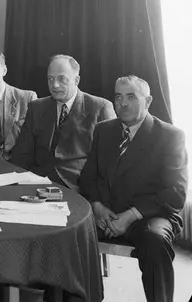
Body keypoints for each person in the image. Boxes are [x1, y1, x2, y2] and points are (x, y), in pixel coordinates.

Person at [80, 75, 187, 302]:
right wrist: (98, 207)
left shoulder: (170, 136)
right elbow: (88, 177)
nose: (123, 103)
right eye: (118, 97)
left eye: (131, 97)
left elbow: (176, 193)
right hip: (106, 213)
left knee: (155, 241)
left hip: (149, 214)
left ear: (148, 101)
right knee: (68, 232)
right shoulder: (103, 130)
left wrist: (130, 215)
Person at [11, 54, 116, 189]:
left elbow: (108, 163)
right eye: (50, 79)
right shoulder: (36, 107)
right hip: (36, 183)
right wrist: (14, 184)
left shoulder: (100, 108)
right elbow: (22, 155)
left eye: (62, 79)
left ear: (76, 80)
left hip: (78, 187)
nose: (54, 85)